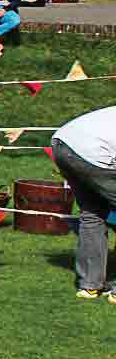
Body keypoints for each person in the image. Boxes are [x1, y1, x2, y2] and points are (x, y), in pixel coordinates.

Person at [50, 105, 116, 300]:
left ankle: (90, 286)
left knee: (93, 212)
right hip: (93, 153)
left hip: (62, 143)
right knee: (94, 212)